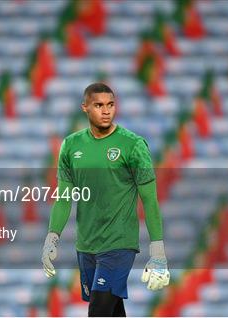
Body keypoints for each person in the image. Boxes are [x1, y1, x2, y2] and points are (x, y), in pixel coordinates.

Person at [41, 83, 170, 317]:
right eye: (98, 105)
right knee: (112, 310)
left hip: (119, 243)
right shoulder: (71, 146)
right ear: (85, 108)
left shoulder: (133, 146)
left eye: (110, 105)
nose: (106, 110)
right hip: (87, 245)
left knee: (98, 309)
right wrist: (52, 237)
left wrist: (158, 251)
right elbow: (63, 198)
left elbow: (150, 200)